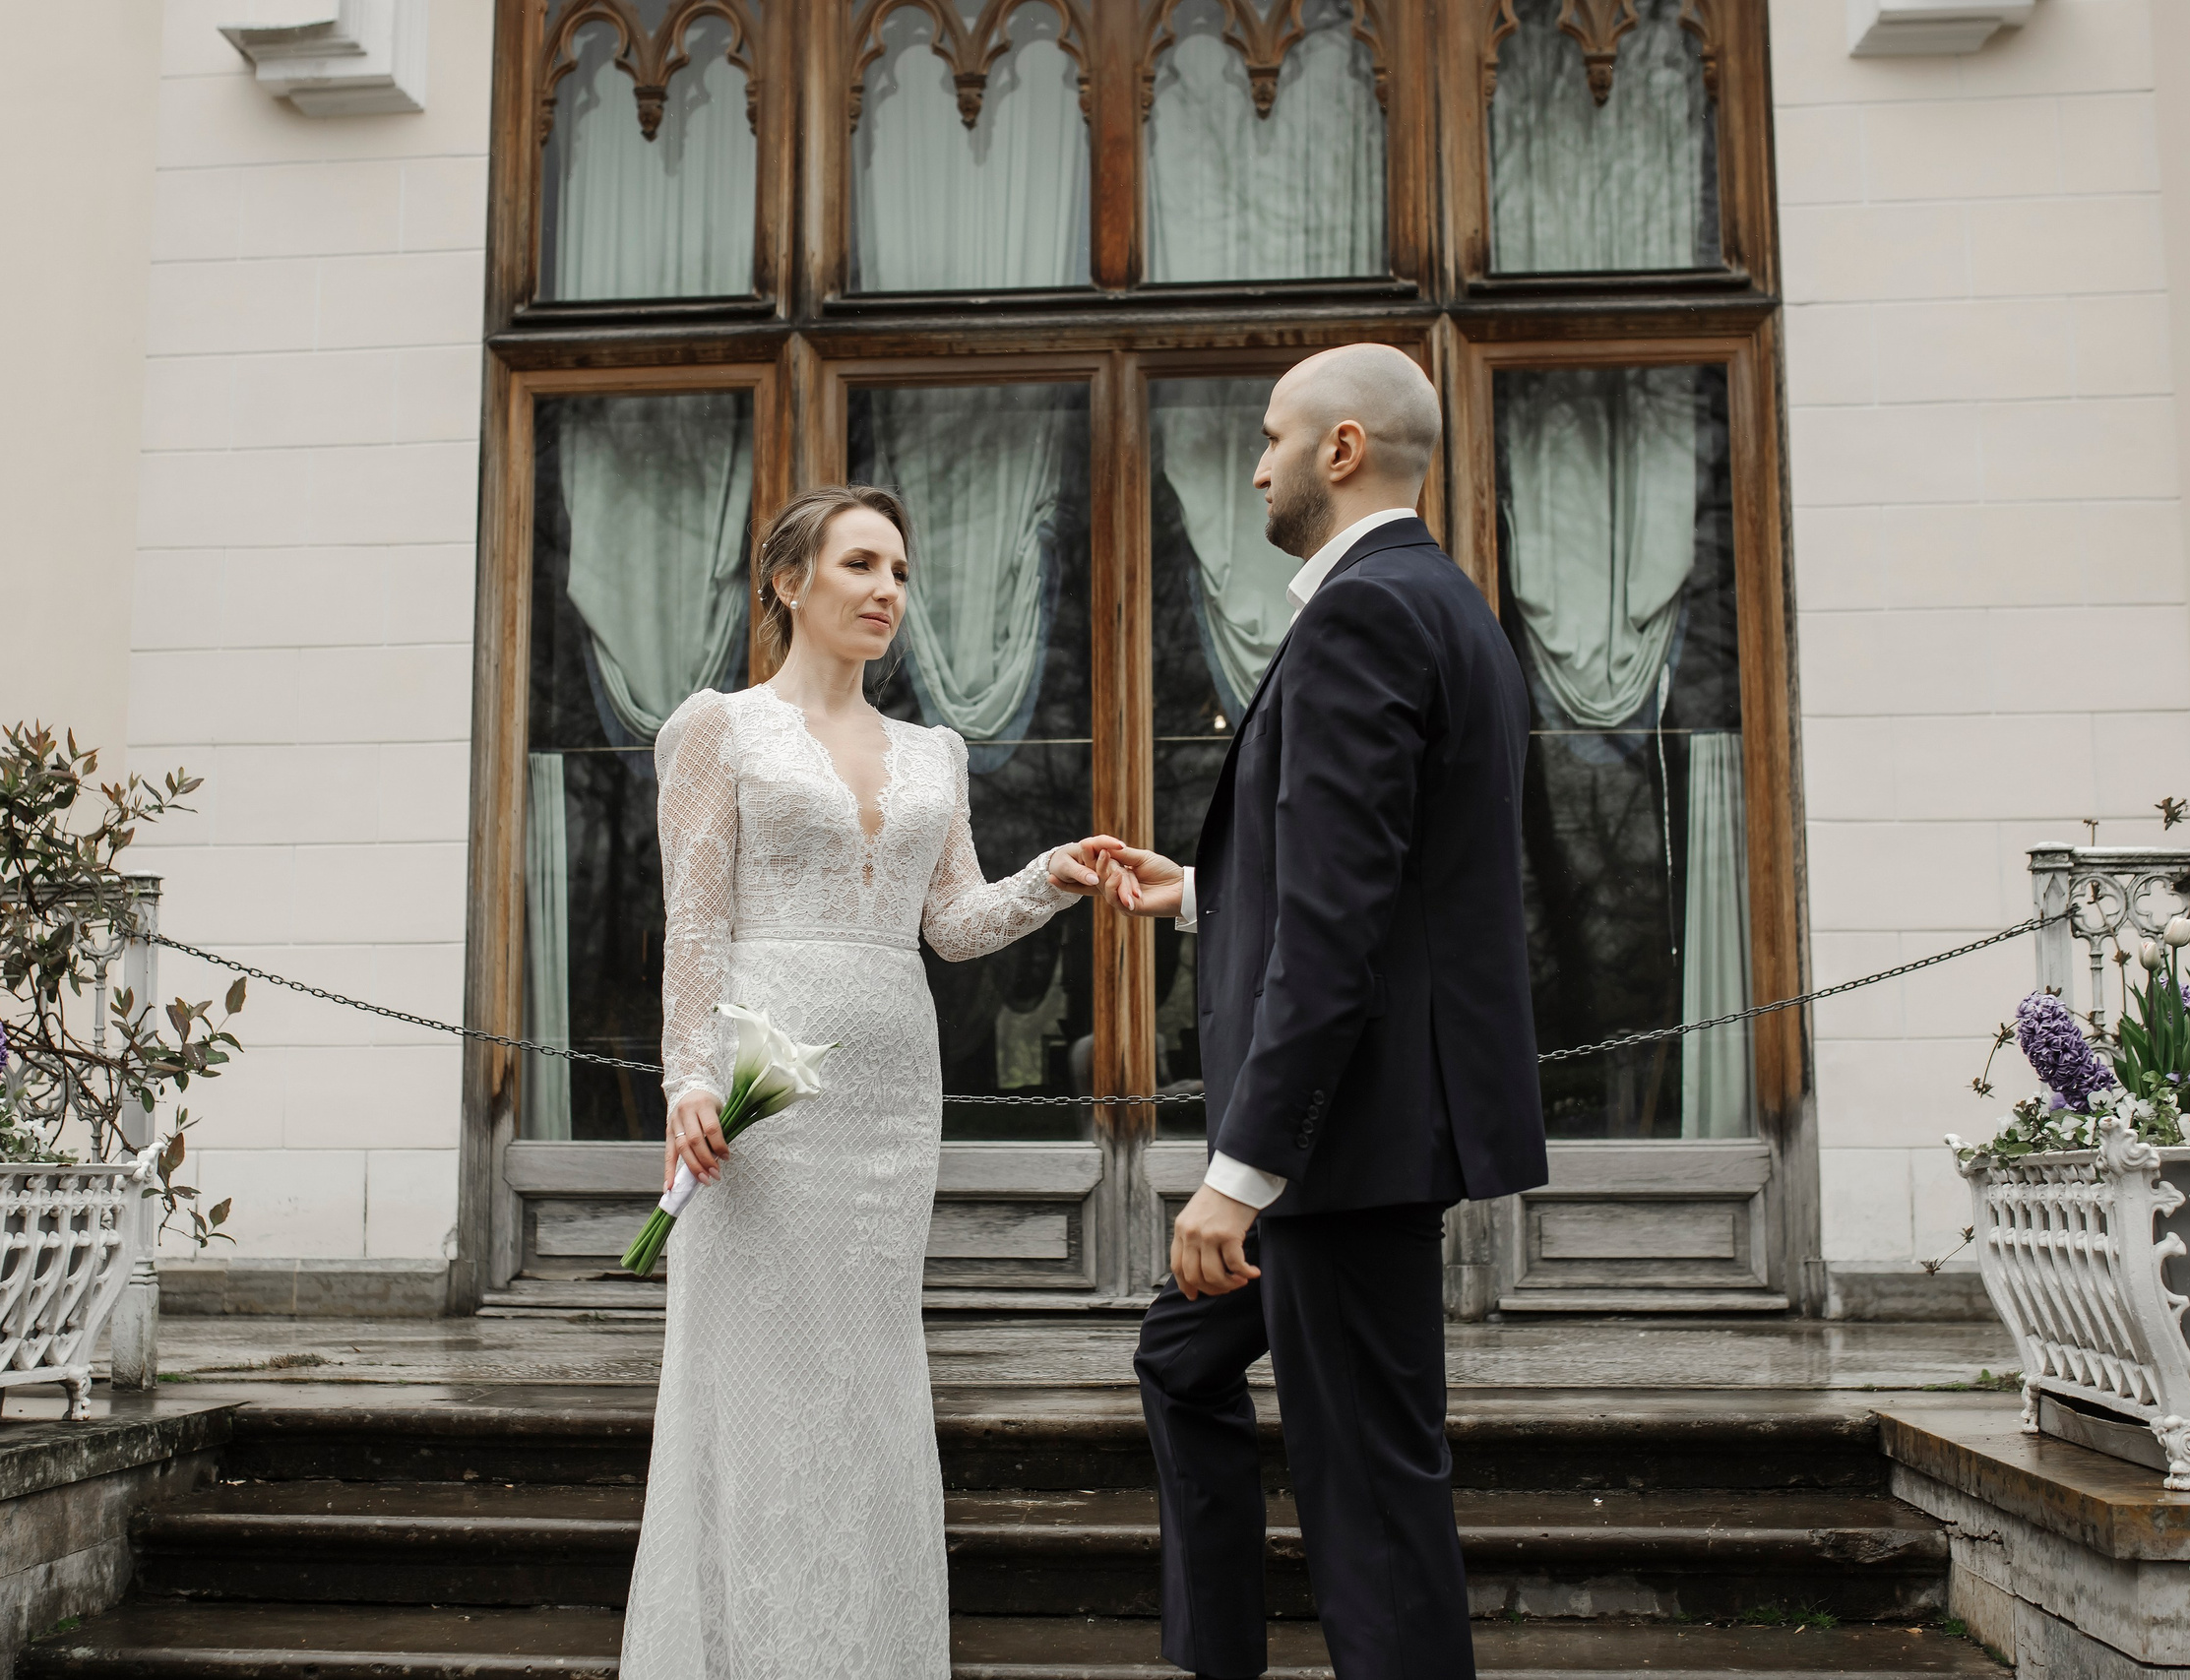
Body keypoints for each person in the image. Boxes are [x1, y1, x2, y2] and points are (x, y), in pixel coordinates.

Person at [1095, 343, 1547, 1680]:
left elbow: (1345, 930)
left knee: (1371, 1494)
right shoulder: (1438, 600)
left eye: (1271, 436)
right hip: (1366, 1127)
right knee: (1183, 1355)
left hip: (1344, 1151)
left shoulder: (1365, 613)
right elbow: (1374, 891)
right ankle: (1216, 1654)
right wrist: (1199, 897)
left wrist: (1239, 1175)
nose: (1255, 463)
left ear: (1340, 449)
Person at [620, 484, 1121, 1679]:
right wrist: (688, 1080)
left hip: (893, 1098)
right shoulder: (717, 730)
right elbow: (695, 921)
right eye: (859, 564)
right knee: (755, 1381)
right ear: (789, 584)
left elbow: (948, 925)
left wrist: (1053, 874)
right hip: (762, 1092)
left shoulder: (932, 751)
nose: (887, 589)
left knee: (866, 1378)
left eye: (898, 568)